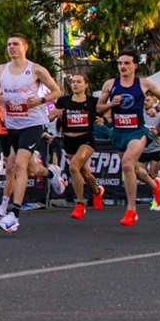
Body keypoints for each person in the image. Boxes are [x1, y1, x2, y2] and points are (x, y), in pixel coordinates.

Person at [0, 34, 62, 233]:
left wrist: (40, 100)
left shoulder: (35, 69)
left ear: (25, 47)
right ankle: (52, 173)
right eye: (9, 44)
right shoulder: (0, 70)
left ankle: (14, 215)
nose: (11, 47)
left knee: (19, 165)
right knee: (27, 168)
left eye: (15, 44)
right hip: (12, 124)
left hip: (33, 123)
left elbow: (56, 91)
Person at [97, 50, 160, 226]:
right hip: (118, 132)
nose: (123, 67)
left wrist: (157, 110)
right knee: (135, 169)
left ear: (135, 66)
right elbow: (98, 108)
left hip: (137, 132)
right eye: (120, 63)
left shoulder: (144, 84)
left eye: (127, 63)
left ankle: (131, 210)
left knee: (127, 164)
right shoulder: (110, 84)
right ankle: (155, 187)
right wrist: (111, 104)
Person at [51, 74, 104, 220]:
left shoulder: (92, 101)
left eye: (79, 82)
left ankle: (80, 204)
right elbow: (50, 116)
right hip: (68, 139)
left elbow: (105, 112)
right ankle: (97, 192)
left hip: (85, 139)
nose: (75, 84)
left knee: (74, 167)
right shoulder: (64, 101)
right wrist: (55, 113)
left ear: (86, 85)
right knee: (85, 173)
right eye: (73, 82)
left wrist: (102, 119)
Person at [140, 94, 160, 211]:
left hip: (156, 148)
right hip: (142, 148)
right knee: (140, 174)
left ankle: (156, 199)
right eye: (143, 100)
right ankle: (157, 189)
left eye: (148, 100)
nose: (145, 102)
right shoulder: (139, 114)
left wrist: (158, 133)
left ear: (154, 100)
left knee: (153, 175)